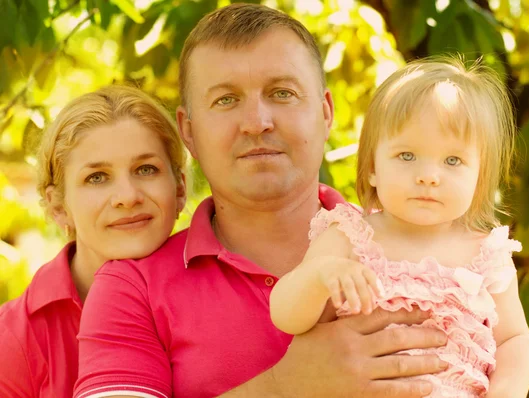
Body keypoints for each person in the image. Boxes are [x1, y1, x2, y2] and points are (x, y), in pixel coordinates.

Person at [74, 5, 450, 398]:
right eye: (225, 100)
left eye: (282, 93)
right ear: (188, 130)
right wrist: (284, 386)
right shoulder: (132, 289)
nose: (256, 122)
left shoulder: (428, 254)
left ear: (325, 114)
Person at [270, 57, 529, 397]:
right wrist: (320, 275)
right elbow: (285, 315)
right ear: (372, 168)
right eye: (407, 155)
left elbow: (514, 340)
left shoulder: (486, 254)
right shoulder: (349, 236)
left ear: (479, 177)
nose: (428, 176)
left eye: (452, 160)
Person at [0, 85, 187, 398]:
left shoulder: (227, 284)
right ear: (59, 207)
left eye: (146, 169)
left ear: (179, 189)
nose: (128, 197)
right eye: (96, 177)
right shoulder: (12, 339)